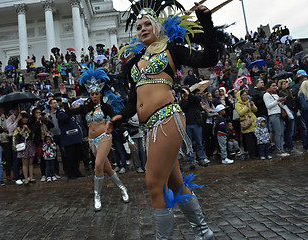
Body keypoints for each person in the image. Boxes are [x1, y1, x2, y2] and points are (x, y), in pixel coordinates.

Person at [106, 2, 217, 239]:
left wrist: (205, 22)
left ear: (157, 27)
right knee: (175, 182)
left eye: (147, 24)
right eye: (138, 27)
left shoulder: (171, 49)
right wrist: (120, 116)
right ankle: (203, 231)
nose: (143, 29)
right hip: (149, 126)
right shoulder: (136, 61)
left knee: (154, 182)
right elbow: (134, 99)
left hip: (168, 117)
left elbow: (209, 57)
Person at [59, 64, 129, 211]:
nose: (95, 96)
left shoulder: (106, 107)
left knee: (97, 166)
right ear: (89, 94)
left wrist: (126, 136)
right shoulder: (85, 107)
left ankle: (97, 196)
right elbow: (69, 112)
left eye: (97, 93)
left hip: (105, 137)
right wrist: (64, 95)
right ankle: (123, 188)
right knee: (107, 169)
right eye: (92, 94)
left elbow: (117, 120)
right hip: (92, 141)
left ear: (101, 94)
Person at [180, 88, 210, 167]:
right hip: (187, 124)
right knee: (189, 144)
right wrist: (186, 99)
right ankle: (191, 160)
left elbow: (198, 99)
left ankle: (201, 159)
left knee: (199, 142)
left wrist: (189, 96)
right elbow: (183, 108)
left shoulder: (194, 99)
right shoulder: (182, 102)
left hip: (197, 123)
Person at [263, 81, 290, 157]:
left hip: (279, 113)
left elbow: (278, 104)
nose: (275, 87)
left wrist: (281, 101)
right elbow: (268, 106)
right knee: (278, 132)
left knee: (281, 132)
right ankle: (279, 151)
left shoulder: (275, 94)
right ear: (268, 87)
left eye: (275, 86)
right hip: (273, 114)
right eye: (273, 86)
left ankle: (282, 149)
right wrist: (277, 101)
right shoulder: (266, 95)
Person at [13, 112, 35, 185]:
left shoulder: (30, 126)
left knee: (31, 163)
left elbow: (32, 135)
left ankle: (31, 177)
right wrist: (22, 130)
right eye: (23, 118)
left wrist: (28, 128)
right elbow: (17, 137)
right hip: (23, 145)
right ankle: (25, 179)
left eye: (26, 118)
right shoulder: (18, 128)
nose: (25, 119)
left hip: (30, 144)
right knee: (24, 163)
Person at [235, 90, 258, 158]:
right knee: (249, 140)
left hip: (253, 122)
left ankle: (257, 153)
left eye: (246, 95)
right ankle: (251, 154)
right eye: (243, 95)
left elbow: (255, 110)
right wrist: (246, 106)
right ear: (240, 96)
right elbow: (240, 113)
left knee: (255, 139)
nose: (245, 96)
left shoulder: (249, 101)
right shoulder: (238, 104)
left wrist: (252, 105)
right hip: (246, 123)